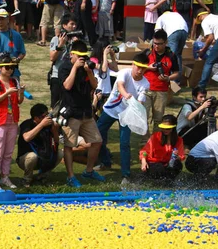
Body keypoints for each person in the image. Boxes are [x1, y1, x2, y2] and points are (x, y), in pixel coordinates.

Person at [98, 52, 150, 185]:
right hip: (111, 109)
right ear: (133, 64)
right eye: (138, 66)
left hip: (127, 114)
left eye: (143, 68)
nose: (140, 70)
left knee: (124, 143)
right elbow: (120, 85)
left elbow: (141, 101)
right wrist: (127, 95)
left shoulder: (145, 83)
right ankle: (105, 161)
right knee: (97, 135)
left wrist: (137, 104)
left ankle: (126, 175)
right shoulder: (125, 73)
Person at [59, 40, 105, 188]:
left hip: (86, 112)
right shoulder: (65, 66)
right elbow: (67, 85)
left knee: (97, 141)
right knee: (69, 145)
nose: (82, 60)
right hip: (71, 112)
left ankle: (89, 170)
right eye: (79, 57)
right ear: (72, 54)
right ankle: (70, 176)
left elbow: (94, 85)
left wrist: (89, 71)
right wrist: (74, 68)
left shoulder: (87, 68)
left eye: (84, 57)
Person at [0, 54, 24, 190]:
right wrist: (7, 93)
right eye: (7, 67)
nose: (9, 70)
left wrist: (21, 93)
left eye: (12, 68)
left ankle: (5, 176)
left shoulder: (14, 81)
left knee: (8, 151)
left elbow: (19, 101)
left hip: (12, 120)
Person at [143, 29, 180, 136]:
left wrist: (168, 78)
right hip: (146, 89)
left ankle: (155, 140)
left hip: (161, 91)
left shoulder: (171, 56)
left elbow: (177, 72)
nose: (156, 46)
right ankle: (144, 142)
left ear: (166, 42)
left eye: (159, 44)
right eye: (154, 43)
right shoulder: (147, 53)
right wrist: (148, 67)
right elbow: (136, 67)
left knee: (158, 119)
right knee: (144, 117)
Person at [16, 103, 61, 187]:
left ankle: (42, 176)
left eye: (47, 114)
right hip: (25, 159)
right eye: (44, 116)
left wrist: (55, 129)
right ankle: (27, 179)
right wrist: (41, 125)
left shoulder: (49, 125)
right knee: (32, 156)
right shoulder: (27, 124)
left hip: (43, 156)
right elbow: (27, 137)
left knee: (60, 153)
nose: (47, 118)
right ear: (36, 118)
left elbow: (56, 141)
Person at [177, 86, 218, 151]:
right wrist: (202, 107)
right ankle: (187, 145)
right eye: (201, 97)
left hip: (191, 130)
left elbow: (209, 112)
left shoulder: (202, 107)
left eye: (204, 97)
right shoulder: (187, 106)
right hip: (182, 133)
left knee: (207, 126)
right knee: (201, 132)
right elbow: (189, 117)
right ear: (194, 97)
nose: (203, 99)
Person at [139, 114, 185, 180]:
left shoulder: (179, 140)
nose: (165, 130)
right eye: (163, 128)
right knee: (159, 168)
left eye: (168, 128)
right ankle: (160, 179)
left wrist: (176, 156)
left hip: (168, 164)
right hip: (154, 163)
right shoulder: (155, 137)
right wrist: (143, 161)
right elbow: (144, 151)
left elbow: (181, 156)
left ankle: (169, 179)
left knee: (178, 165)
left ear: (173, 128)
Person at [48, 13, 79, 108]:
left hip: (71, 75)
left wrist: (77, 45)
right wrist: (60, 45)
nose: (74, 26)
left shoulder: (76, 40)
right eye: (72, 24)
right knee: (56, 105)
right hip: (57, 76)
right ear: (64, 25)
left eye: (75, 24)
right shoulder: (56, 39)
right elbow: (52, 58)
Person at [154, 11, 188, 80]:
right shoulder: (177, 14)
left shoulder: (161, 17)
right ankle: (178, 79)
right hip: (185, 31)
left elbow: (157, 33)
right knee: (178, 55)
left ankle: (170, 79)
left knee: (170, 56)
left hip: (173, 32)